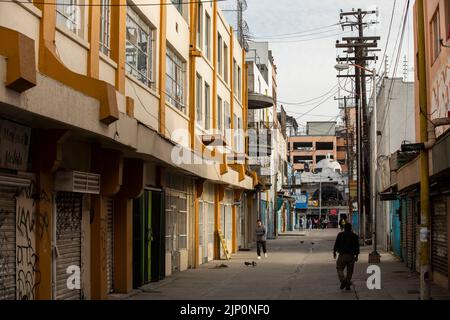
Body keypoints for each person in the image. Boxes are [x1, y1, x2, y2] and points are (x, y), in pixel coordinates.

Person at [333, 223, 360, 290]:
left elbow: (336, 244)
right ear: (351, 228)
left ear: (344, 228)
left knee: (339, 268)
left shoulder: (340, 235)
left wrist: (334, 252)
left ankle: (343, 280)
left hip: (342, 255)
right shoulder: (354, 236)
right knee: (350, 271)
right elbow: (357, 247)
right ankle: (347, 284)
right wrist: (356, 256)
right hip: (351, 256)